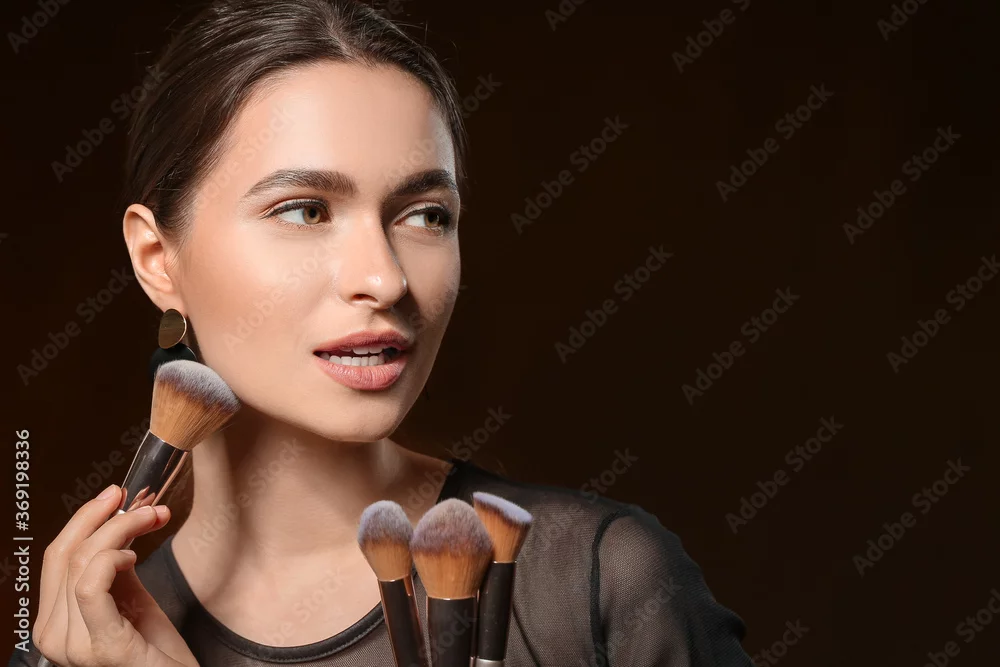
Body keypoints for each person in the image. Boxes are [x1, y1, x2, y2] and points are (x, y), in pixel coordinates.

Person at [11, 1, 754, 665]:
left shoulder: (596, 587)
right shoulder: (84, 648)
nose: (386, 278)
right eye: (305, 210)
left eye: (425, 215)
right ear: (157, 258)